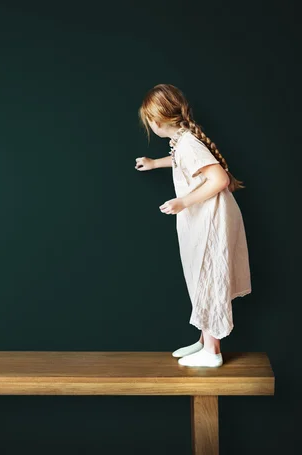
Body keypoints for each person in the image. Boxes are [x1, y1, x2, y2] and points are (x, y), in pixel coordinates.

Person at [136, 84, 250, 367]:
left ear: (157, 120)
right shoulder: (182, 141)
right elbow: (182, 162)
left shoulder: (187, 143)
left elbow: (219, 180)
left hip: (211, 218)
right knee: (201, 275)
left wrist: (182, 202)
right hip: (205, 218)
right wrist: (154, 164)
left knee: (209, 275)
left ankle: (212, 351)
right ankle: (204, 340)